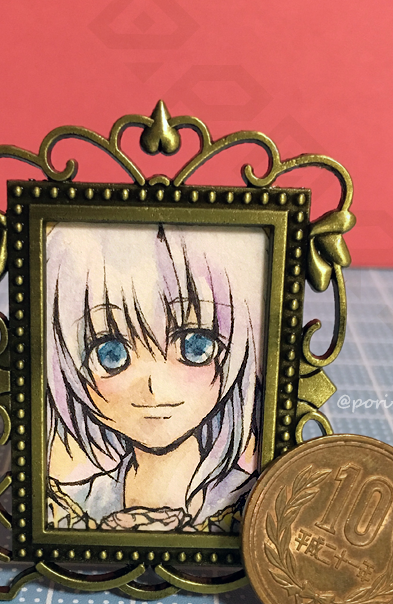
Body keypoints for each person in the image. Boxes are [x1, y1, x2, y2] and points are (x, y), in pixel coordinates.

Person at [46, 221, 268, 533]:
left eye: (195, 346)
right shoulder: (72, 507)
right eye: (111, 354)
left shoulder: (254, 499)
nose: (154, 386)